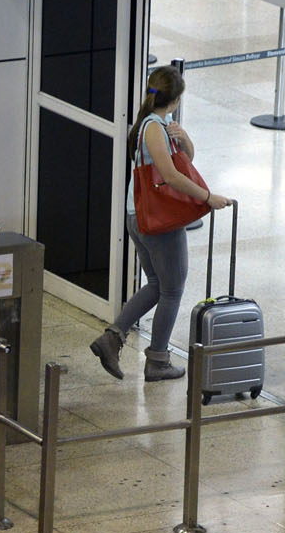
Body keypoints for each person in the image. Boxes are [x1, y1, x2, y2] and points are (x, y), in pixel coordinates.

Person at [89, 65, 232, 382]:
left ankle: (112, 338)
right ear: (176, 98)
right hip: (156, 220)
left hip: (139, 217)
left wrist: (185, 139)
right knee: (172, 290)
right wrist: (208, 197)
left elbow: (184, 161)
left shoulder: (156, 124)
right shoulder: (153, 128)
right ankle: (157, 360)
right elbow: (171, 176)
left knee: (156, 284)